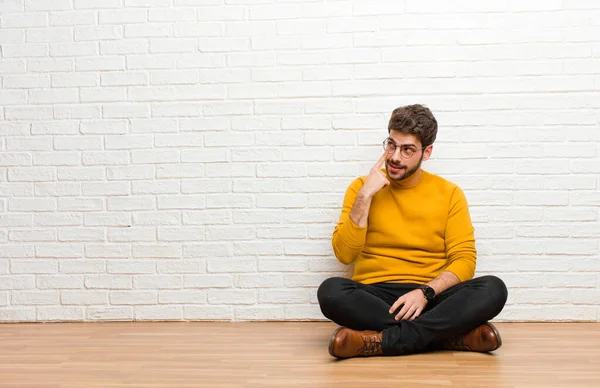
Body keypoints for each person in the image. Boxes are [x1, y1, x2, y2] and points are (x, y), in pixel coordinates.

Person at [317, 104, 508, 359]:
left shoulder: (449, 193)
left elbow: (464, 259)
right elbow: (344, 254)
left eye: (407, 149)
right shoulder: (361, 188)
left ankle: (377, 341)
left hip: (431, 296)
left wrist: (425, 292)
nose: (395, 157)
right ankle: (450, 336)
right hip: (378, 296)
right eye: (391, 145)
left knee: (494, 288)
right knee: (330, 292)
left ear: (426, 152)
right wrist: (365, 196)